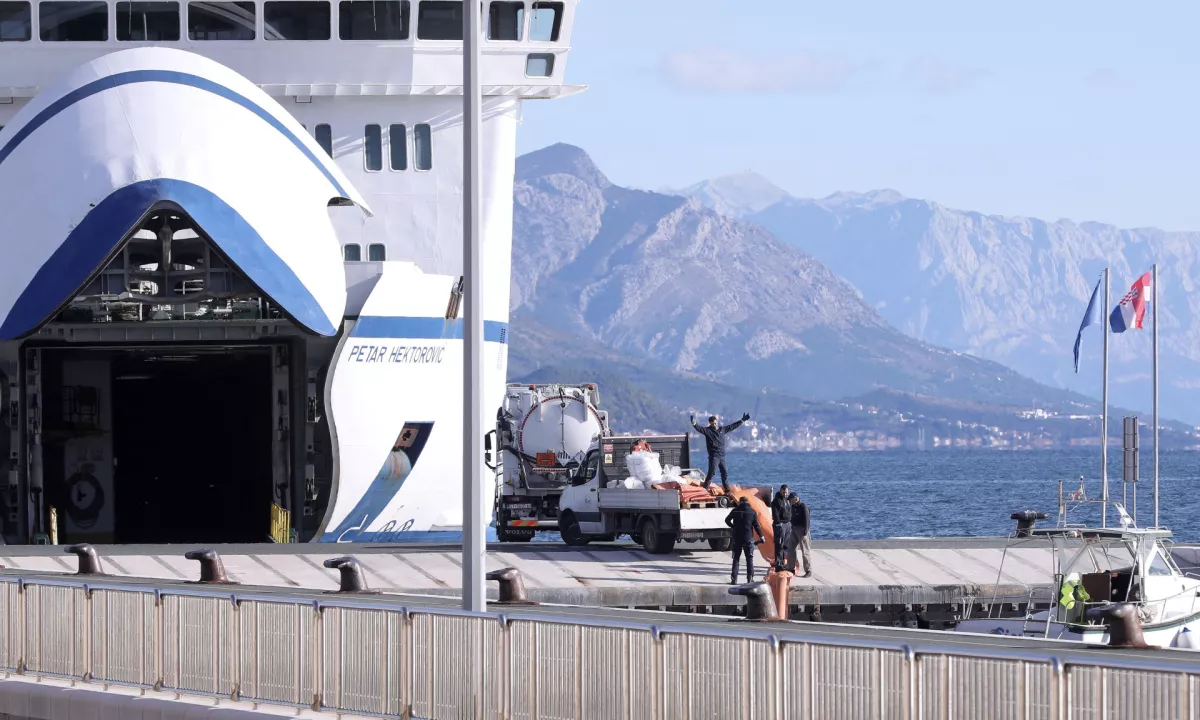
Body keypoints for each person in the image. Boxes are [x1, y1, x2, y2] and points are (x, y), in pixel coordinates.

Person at [690, 412, 751, 492]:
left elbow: (733, 426)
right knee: (711, 473)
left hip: (722, 456)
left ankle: (727, 490)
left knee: (725, 473)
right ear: (710, 424)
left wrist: (742, 420)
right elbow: (699, 428)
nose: (714, 425)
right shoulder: (708, 431)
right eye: (712, 424)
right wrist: (694, 424)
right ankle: (705, 488)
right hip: (714, 456)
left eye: (715, 423)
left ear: (717, 422)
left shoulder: (723, 429)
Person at [724, 496, 763, 584]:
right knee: (749, 558)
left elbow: (727, 520)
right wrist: (761, 536)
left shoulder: (735, 511)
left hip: (737, 537)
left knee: (736, 558)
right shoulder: (752, 512)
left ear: (740, 502)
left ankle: (734, 579)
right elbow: (756, 525)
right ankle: (750, 578)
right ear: (747, 502)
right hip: (748, 538)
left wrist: (733, 526)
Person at [787, 494, 812, 578]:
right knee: (791, 549)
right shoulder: (792, 507)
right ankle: (790, 568)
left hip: (802, 530)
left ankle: (808, 570)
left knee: (805, 551)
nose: (790, 501)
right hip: (794, 529)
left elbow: (807, 519)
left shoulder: (803, 506)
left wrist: (805, 531)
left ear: (796, 499)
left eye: (791, 500)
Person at [770, 485, 792, 570]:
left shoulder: (788, 500)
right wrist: (778, 523)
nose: (785, 494)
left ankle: (782, 562)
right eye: (783, 492)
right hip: (780, 525)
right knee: (779, 544)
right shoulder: (776, 501)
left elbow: (790, 511)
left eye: (786, 492)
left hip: (787, 524)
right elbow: (775, 514)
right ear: (780, 491)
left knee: (785, 545)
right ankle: (778, 563)